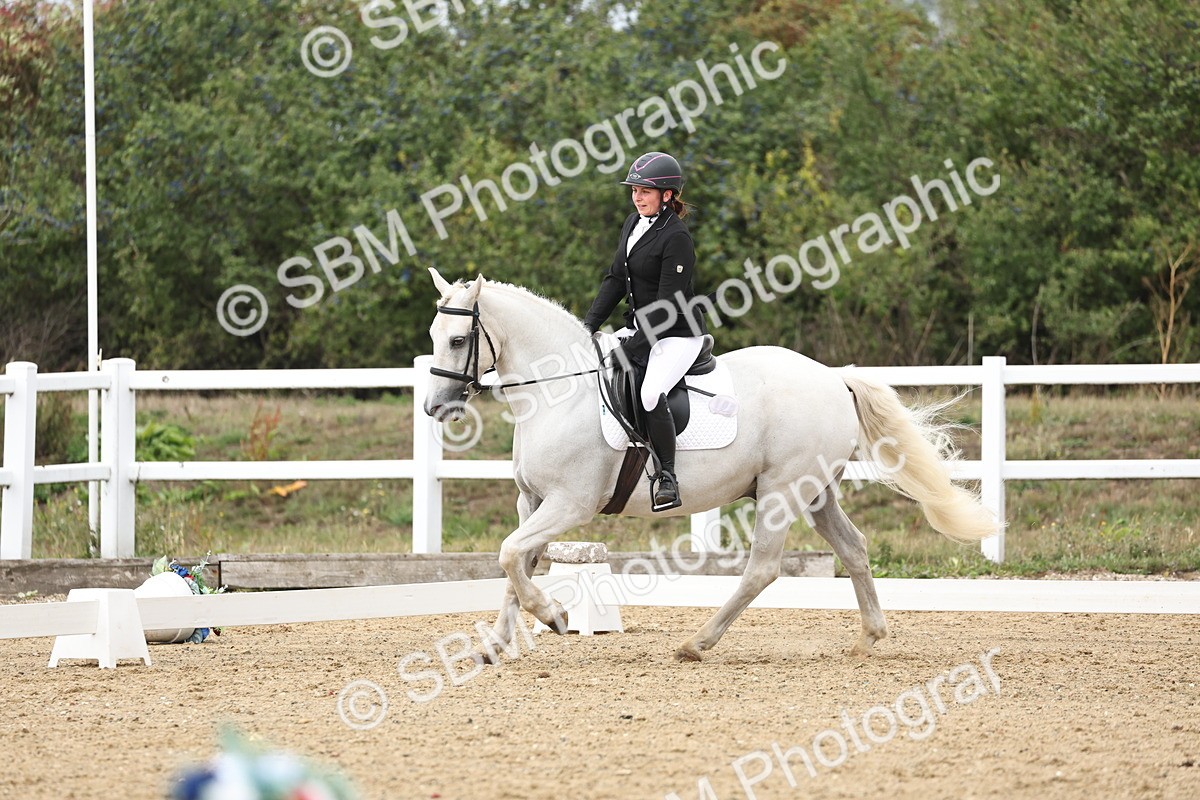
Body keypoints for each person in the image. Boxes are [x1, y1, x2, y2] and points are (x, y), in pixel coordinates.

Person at [582, 151, 709, 512]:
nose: (638, 197)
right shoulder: (632, 223)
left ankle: (666, 476)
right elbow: (615, 279)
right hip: (641, 328)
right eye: (634, 190)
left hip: (676, 333)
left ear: (667, 195)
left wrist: (635, 349)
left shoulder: (677, 237)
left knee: (652, 392)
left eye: (646, 191)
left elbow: (668, 308)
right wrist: (587, 326)